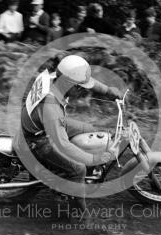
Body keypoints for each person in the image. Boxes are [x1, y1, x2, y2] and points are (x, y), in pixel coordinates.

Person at [21, 55, 123, 214]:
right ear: (70, 84)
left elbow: (89, 82)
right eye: (81, 87)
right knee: (78, 169)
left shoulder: (56, 78)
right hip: (38, 139)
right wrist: (96, 159)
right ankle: (79, 215)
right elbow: (63, 144)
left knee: (90, 128)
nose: (84, 91)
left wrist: (109, 91)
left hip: (44, 123)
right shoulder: (50, 106)